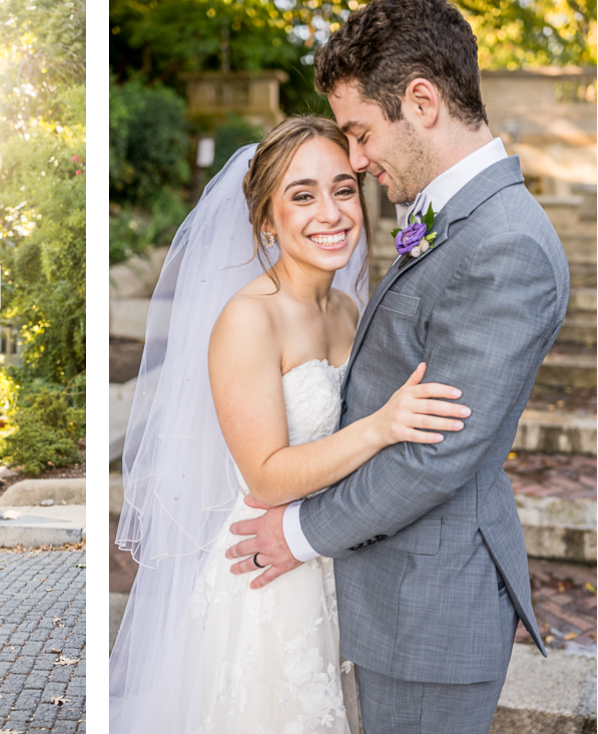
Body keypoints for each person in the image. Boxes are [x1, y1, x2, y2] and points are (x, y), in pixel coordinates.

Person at [226, 1, 569, 732]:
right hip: (381, 588)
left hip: (427, 608)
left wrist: (298, 534)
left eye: (360, 133)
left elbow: (436, 454)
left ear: (422, 102)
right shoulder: (455, 219)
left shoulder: (506, 245)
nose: (355, 160)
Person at [110, 116, 471, 733]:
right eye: (302, 196)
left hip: (333, 557)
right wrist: (384, 426)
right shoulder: (249, 320)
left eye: (343, 189)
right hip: (268, 577)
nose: (330, 212)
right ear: (265, 220)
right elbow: (268, 476)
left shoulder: (349, 307)